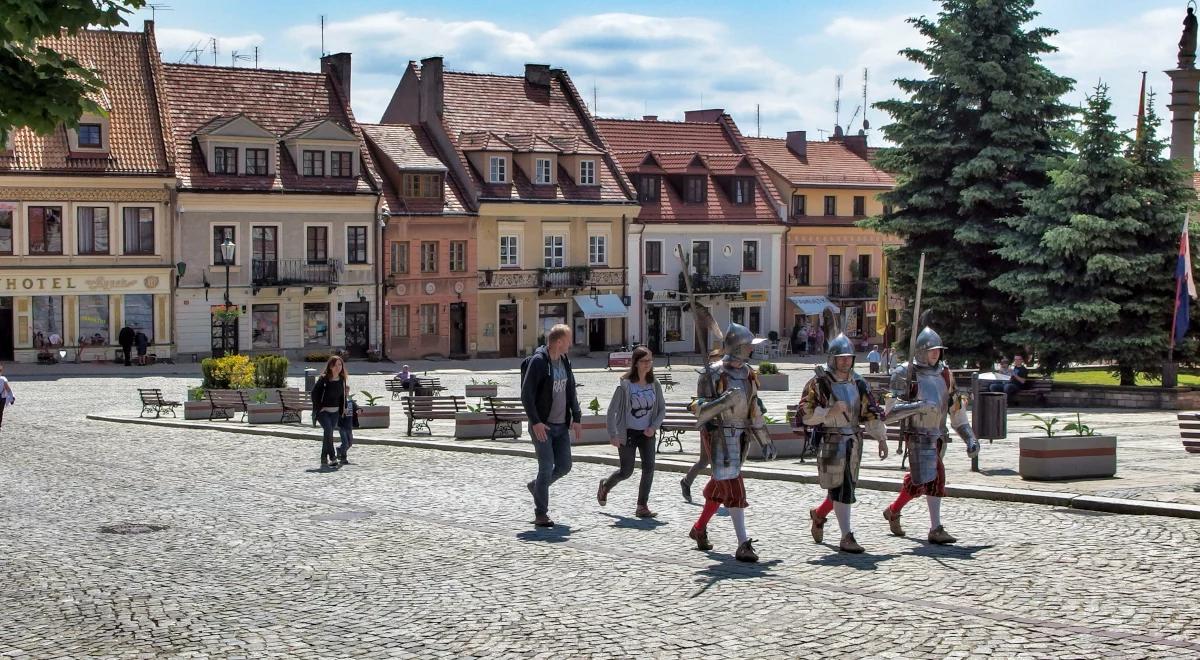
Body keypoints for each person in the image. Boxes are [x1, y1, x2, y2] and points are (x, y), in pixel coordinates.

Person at [688, 322, 778, 562]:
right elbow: (698, 409)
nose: (750, 349)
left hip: (741, 435)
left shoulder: (749, 374)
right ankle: (742, 544)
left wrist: (765, 439)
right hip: (718, 434)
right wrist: (724, 401)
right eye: (748, 346)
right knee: (734, 487)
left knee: (720, 486)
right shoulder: (714, 373)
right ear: (738, 347)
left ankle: (698, 528)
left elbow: (754, 409)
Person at [881, 327, 980, 545]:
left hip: (939, 434)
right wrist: (920, 406)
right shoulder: (905, 373)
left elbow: (956, 410)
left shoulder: (945, 373)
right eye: (931, 350)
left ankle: (893, 510)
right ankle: (935, 528)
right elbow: (889, 413)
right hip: (917, 434)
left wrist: (970, 438)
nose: (935, 354)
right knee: (937, 476)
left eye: (938, 350)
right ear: (920, 351)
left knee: (917, 481)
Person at [801, 334, 888, 553]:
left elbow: (870, 412)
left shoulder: (858, 382)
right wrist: (829, 412)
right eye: (841, 358)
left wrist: (881, 438)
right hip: (831, 440)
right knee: (843, 488)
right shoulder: (820, 383)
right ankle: (846, 536)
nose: (845, 362)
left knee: (844, 486)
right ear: (833, 359)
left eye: (848, 357)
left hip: (854, 441)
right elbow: (805, 414)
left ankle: (819, 515)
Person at [520, 323, 582, 527]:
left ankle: (537, 487)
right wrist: (535, 422)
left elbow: (571, 390)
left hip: (561, 425)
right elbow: (526, 394)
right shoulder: (539, 362)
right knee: (546, 466)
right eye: (568, 340)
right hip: (543, 425)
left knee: (564, 466)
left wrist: (577, 418)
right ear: (558, 342)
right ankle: (541, 513)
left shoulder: (564, 360)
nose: (570, 344)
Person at [598, 345, 666, 518]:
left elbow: (661, 410)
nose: (648, 364)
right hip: (628, 433)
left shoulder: (654, 383)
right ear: (635, 363)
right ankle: (606, 486)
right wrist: (613, 434)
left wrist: (653, 427)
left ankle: (642, 506)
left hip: (647, 433)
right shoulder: (625, 385)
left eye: (650, 360)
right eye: (644, 361)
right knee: (626, 471)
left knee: (649, 468)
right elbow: (612, 410)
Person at [310, 356, 349, 469]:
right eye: (335, 365)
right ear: (330, 366)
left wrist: (343, 409)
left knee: (328, 434)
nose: (338, 367)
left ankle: (323, 458)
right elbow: (314, 394)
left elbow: (342, 397)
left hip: (335, 413)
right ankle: (332, 457)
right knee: (328, 430)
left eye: (340, 365)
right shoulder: (324, 379)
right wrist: (319, 407)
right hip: (323, 412)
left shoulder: (342, 380)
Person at [0, 365, 14, 431]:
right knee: (0, 412)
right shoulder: (3, 379)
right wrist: (12, 398)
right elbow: (8, 389)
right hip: (2, 398)